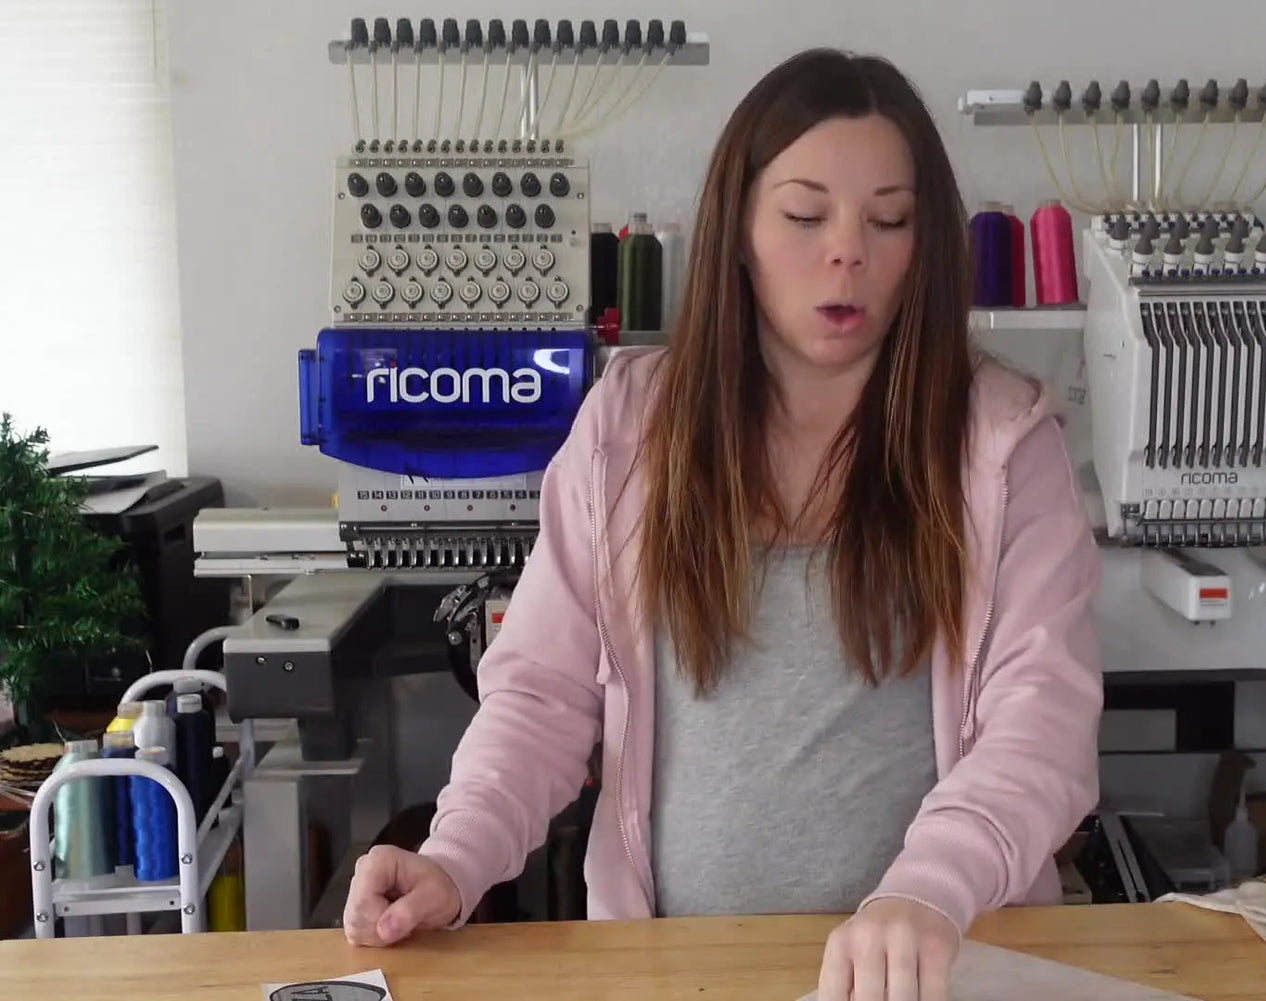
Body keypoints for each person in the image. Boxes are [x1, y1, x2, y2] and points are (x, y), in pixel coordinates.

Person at [342, 47, 1104, 1000]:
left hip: (931, 970)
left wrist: (927, 892)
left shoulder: (1002, 444)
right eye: (805, 215)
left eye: (889, 219)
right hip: (678, 974)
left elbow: (1041, 727)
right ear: (739, 227)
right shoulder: (630, 429)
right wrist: (455, 856)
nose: (848, 251)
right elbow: (541, 696)